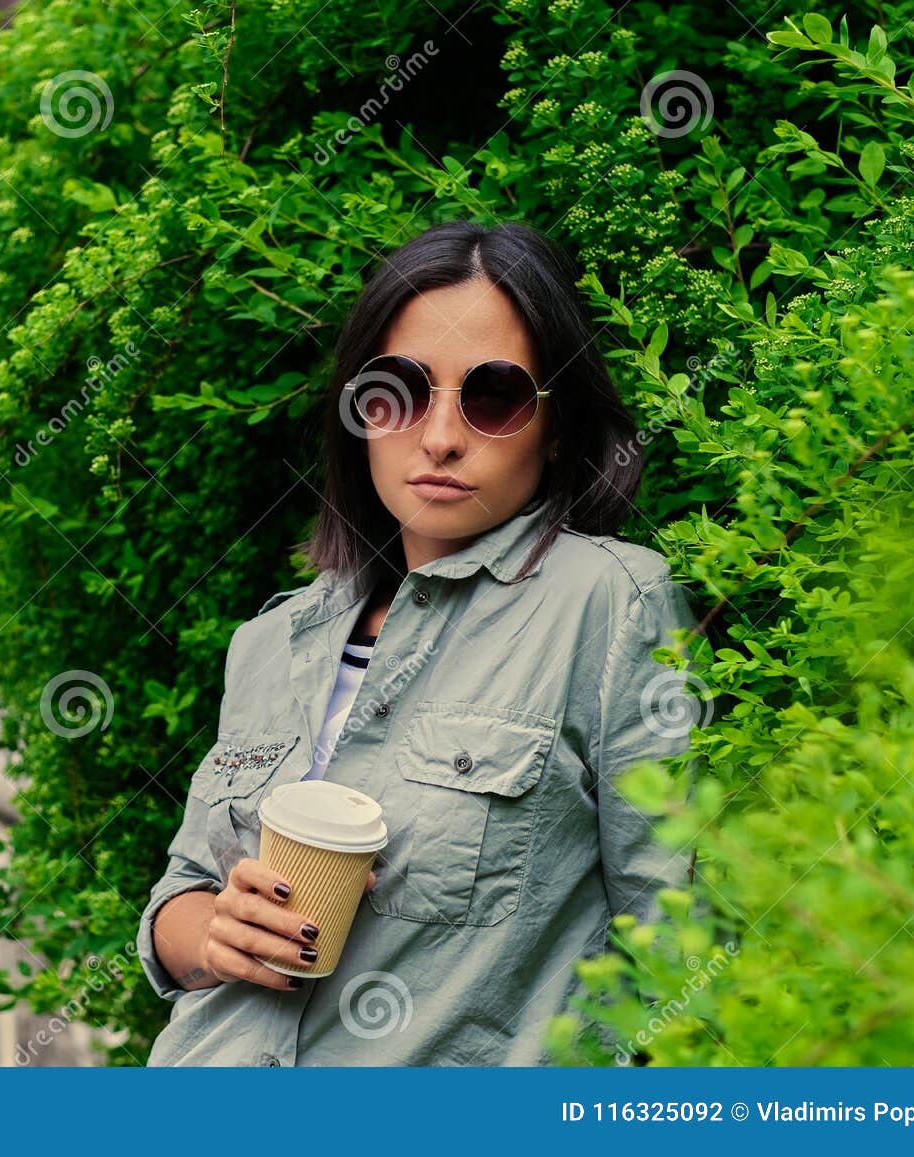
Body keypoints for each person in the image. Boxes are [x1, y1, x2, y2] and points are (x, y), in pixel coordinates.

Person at [134, 218, 705, 1066]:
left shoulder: (611, 604)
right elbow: (179, 898)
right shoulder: (272, 639)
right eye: (398, 389)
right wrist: (214, 930)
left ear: (555, 428)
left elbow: (674, 955)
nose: (439, 436)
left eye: (494, 395)